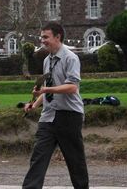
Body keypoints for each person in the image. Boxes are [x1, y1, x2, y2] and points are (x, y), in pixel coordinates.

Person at [22, 22, 89, 189]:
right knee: (38, 157)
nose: (42, 40)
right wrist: (35, 104)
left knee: (75, 161)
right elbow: (47, 91)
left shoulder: (70, 58)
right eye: (41, 37)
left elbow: (72, 87)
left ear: (57, 37)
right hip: (48, 115)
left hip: (69, 116)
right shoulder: (47, 60)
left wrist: (46, 89)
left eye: (46, 37)